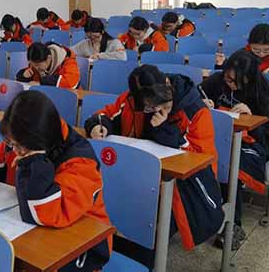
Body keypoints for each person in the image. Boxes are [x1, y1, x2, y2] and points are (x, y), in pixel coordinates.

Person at [0, 90, 111, 272]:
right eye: (11, 143)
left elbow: (48, 213)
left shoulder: (81, 162)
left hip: (80, 252)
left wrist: (35, 163)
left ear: (39, 140)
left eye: (20, 146)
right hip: (32, 239)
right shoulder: (23, 143)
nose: (15, 151)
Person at [84, 65, 223, 252]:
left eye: (162, 104)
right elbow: (105, 115)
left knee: (146, 229)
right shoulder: (132, 99)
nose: (156, 109)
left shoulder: (195, 110)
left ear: (167, 85)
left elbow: (200, 158)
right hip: (139, 174)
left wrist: (165, 130)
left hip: (183, 183)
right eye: (149, 106)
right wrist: (98, 125)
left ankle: (141, 251)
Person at [201, 51, 269, 249]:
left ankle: (232, 224)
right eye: (228, 79)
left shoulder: (261, 93)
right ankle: (204, 212)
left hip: (252, 144)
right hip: (218, 137)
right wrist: (201, 103)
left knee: (229, 164)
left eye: (237, 81)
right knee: (205, 157)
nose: (230, 84)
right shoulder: (216, 81)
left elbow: (268, 137)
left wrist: (251, 119)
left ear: (249, 78)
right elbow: (194, 96)